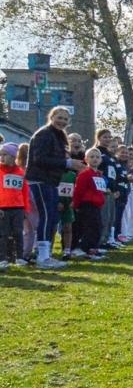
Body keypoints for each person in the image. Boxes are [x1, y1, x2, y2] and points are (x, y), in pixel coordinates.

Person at [25, 106, 81, 269]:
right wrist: (67, 163)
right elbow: (39, 159)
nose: (62, 121)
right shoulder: (44, 134)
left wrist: (70, 165)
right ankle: (42, 255)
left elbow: (55, 161)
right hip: (39, 180)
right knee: (47, 216)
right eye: (59, 117)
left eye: (65, 119)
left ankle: (46, 253)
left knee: (53, 217)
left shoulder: (59, 138)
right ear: (52, 117)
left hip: (51, 181)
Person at [70, 147, 109, 260]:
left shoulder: (99, 175)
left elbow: (100, 191)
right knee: (90, 228)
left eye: (97, 157)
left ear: (101, 160)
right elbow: (79, 191)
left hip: (96, 205)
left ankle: (93, 248)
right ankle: (86, 249)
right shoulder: (84, 174)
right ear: (86, 159)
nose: (95, 159)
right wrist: (76, 204)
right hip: (87, 204)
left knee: (97, 227)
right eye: (91, 157)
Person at [0, 143, 27, 269]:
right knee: (3, 234)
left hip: (18, 208)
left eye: (4, 155)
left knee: (18, 233)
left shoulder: (20, 173)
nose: (2, 157)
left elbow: (24, 192)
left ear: (12, 157)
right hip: (2, 208)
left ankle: (20, 257)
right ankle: (3, 258)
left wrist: (26, 209)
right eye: (0, 155)